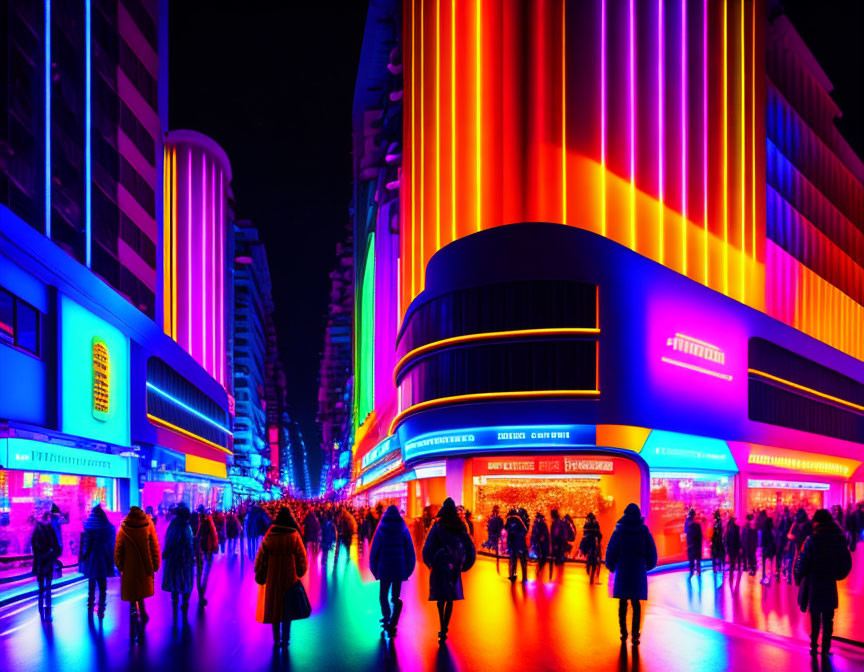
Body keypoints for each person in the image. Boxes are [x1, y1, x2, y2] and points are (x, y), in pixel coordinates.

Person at [794, 509, 853, 658]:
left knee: (815, 615)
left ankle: (814, 645)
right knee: (828, 617)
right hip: (829, 582)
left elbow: (803, 560)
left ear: (817, 522)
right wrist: (838, 574)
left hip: (814, 582)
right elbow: (846, 562)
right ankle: (826, 648)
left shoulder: (812, 539)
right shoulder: (838, 539)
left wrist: (798, 576)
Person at [422, 498, 476, 643]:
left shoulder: (437, 526)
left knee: (440, 596)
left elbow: (428, 546)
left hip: (439, 564)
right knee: (451, 595)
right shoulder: (460, 526)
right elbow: (469, 546)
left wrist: (429, 561)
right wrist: (467, 564)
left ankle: (441, 625)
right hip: (454, 563)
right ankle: (445, 626)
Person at [605, 503, 658, 647]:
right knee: (636, 603)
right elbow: (652, 552)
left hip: (622, 570)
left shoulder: (619, 531)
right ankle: (635, 635)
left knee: (622, 603)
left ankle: (623, 633)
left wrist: (610, 565)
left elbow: (611, 550)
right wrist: (647, 566)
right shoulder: (644, 531)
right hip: (638, 571)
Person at [255, 507, 308, 648]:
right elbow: (301, 557)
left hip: (273, 577)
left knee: (274, 608)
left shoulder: (270, 534)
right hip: (289, 576)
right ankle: (285, 638)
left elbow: (261, 556)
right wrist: (301, 571)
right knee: (287, 608)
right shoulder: (294, 535)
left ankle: (276, 639)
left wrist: (259, 572)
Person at [114, 506, 161, 641]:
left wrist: (120, 566)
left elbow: (118, 551)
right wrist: (155, 566)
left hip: (129, 569)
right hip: (145, 568)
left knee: (132, 598)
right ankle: (141, 622)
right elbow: (154, 546)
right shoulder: (148, 525)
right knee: (140, 592)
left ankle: (133, 626)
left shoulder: (123, 529)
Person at [369, 505, 416, 636]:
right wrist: (408, 570)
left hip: (384, 568)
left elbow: (374, 551)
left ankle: (387, 615)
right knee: (395, 596)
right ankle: (394, 619)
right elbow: (410, 552)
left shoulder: (381, 530)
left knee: (383, 595)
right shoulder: (403, 530)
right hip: (399, 569)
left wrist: (374, 569)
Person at [79, 504, 116, 619]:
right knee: (102, 584)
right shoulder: (107, 527)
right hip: (103, 559)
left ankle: (90, 604)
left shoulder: (89, 527)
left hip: (91, 559)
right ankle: (101, 606)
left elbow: (86, 545)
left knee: (91, 582)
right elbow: (111, 544)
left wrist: (83, 557)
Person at [161, 503, 195, 621]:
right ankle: (185, 605)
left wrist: (165, 553)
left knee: (174, 585)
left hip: (173, 560)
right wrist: (192, 559)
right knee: (186, 582)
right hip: (184, 560)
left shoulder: (173, 526)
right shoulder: (187, 527)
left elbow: (169, 541)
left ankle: (175, 610)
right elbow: (190, 545)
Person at [31, 511, 61, 622]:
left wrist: (37, 556)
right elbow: (57, 546)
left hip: (39, 561)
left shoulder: (37, 530)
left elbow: (33, 544)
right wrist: (53, 555)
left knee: (41, 587)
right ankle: (47, 612)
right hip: (48, 560)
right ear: (47, 518)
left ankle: (41, 611)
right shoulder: (50, 529)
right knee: (48, 586)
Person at [194, 505, 219, 605]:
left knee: (200, 573)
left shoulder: (196, 521)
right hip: (206, 550)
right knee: (205, 573)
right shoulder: (208, 521)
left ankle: (200, 594)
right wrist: (215, 547)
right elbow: (213, 535)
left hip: (200, 550)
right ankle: (201, 595)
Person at [504, 508, 529, 582]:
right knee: (522, 561)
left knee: (513, 560)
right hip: (519, 543)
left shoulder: (509, 520)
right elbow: (524, 531)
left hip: (513, 544)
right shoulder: (519, 520)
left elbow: (506, 529)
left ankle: (513, 576)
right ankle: (524, 578)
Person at [580, 513, 603, 584]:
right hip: (593, 542)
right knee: (595, 554)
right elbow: (599, 534)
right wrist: (599, 543)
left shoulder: (586, 524)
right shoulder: (596, 523)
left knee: (583, 548)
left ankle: (587, 562)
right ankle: (593, 564)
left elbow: (584, 533)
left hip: (587, 542)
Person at [530, 512, 551, 581]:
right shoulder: (541, 524)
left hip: (538, 543)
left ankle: (539, 569)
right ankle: (539, 569)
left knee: (541, 557)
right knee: (542, 557)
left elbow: (534, 534)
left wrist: (533, 543)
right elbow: (545, 534)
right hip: (541, 544)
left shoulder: (536, 524)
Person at [758, 510, 776, 585]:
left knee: (764, 560)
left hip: (766, 545)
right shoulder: (769, 524)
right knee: (770, 560)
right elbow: (773, 534)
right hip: (770, 544)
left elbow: (762, 537)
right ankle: (770, 575)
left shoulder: (763, 524)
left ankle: (764, 576)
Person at [685, 509, 703, 578]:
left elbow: (686, 535)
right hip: (696, 546)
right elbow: (700, 537)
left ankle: (692, 572)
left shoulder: (688, 525)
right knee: (697, 560)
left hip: (691, 546)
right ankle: (698, 571)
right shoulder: (697, 525)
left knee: (692, 561)